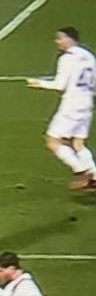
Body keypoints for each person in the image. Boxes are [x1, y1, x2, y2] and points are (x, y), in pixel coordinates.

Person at [27, 27, 96, 190]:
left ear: (69, 39)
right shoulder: (88, 56)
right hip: (86, 103)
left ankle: (81, 170)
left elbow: (60, 85)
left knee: (53, 142)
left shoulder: (66, 58)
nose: (57, 41)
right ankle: (94, 177)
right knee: (78, 143)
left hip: (71, 105)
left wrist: (39, 83)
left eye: (60, 38)